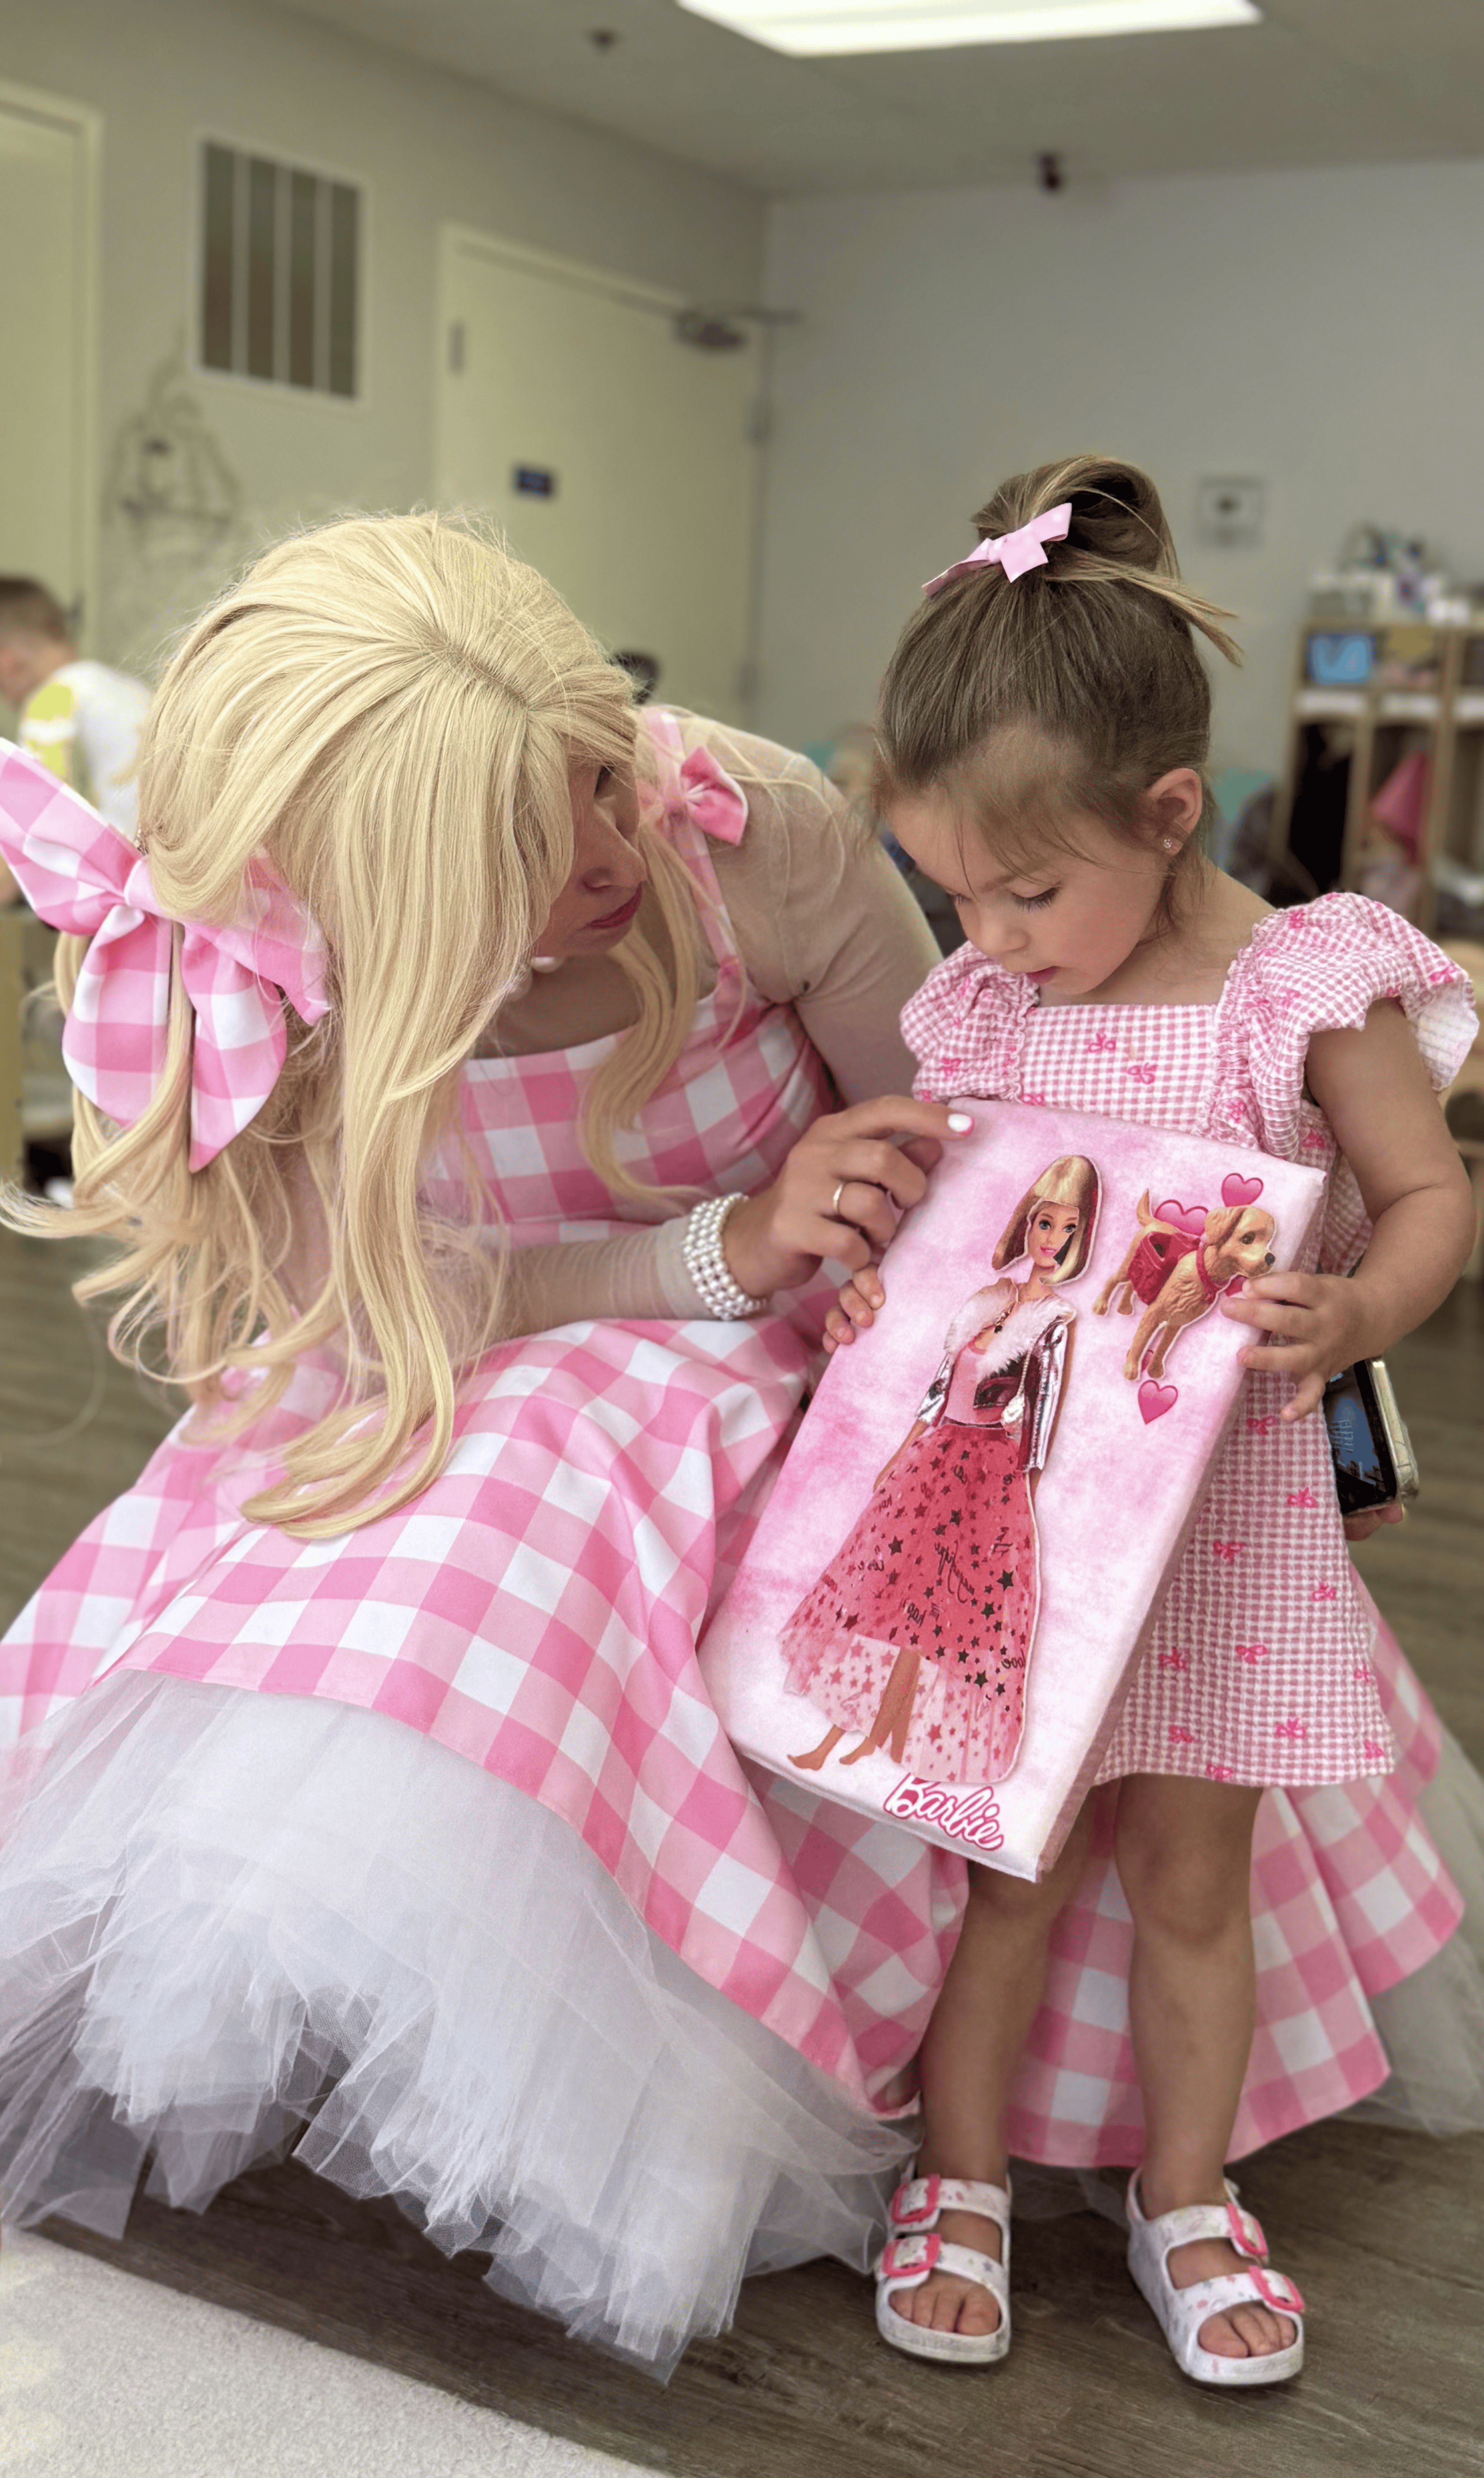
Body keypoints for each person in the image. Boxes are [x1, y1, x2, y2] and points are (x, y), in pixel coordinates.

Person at [0, 512, 968, 2377]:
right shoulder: (264, 975)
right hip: (439, 1343)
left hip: (792, 1355)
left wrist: (807, 1243)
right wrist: (710, 1243)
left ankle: (606, 2066)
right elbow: (380, 1312)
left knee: (543, 1472)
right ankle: (363, 1976)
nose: (620, 856)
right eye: (539, 853)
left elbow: (952, 1116)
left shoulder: (750, 843)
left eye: (607, 780)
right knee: (431, 1477)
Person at [822, 458, 1484, 2383]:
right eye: (959, 892)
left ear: (1172, 814)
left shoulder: (1302, 985)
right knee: (1007, 1867)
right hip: (1028, 1515)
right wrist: (880, 1294)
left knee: (1197, 1880)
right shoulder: (988, 1006)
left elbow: (1437, 1198)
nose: (995, 933)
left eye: (1029, 890)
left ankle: (1186, 2188)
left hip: (1230, 1525)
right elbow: (945, 1240)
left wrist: (1358, 1301)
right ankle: (954, 2173)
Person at [786, 1154, 1099, 1781]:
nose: (1052, 1240)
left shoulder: (1053, 1322)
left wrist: (1023, 1485)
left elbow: (1041, 1408)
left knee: (938, 1614)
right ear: (1026, 1224)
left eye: (1068, 1230)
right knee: (891, 1592)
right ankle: (843, 1735)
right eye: (1045, 1224)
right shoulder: (985, 1302)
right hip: (935, 1458)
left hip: (988, 1471)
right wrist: (903, 1450)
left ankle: (881, 1734)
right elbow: (937, 1387)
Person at [0, 579, 151, 870]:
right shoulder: (127, 689)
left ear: (7, 663)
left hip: (130, 884)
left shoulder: (54, 698)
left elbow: (38, 824)